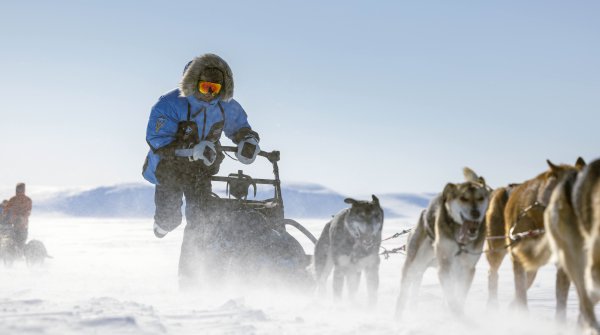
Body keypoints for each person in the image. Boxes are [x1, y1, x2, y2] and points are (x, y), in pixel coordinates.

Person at [142, 53, 261, 284]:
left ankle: (193, 275)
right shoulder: (169, 104)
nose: (210, 94)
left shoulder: (226, 107)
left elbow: (241, 128)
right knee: (171, 219)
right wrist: (190, 151)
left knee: (201, 220)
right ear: (192, 83)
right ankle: (163, 224)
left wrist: (248, 142)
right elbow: (157, 140)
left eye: (215, 88)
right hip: (170, 169)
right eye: (205, 87)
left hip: (201, 171)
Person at [4, 183, 32, 248]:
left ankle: (19, 252)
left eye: (21, 189)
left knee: (20, 242)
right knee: (9, 240)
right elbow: (6, 210)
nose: (19, 191)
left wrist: (21, 218)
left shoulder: (28, 200)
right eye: (18, 189)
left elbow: (28, 212)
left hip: (22, 226)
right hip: (12, 225)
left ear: (24, 190)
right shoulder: (12, 199)